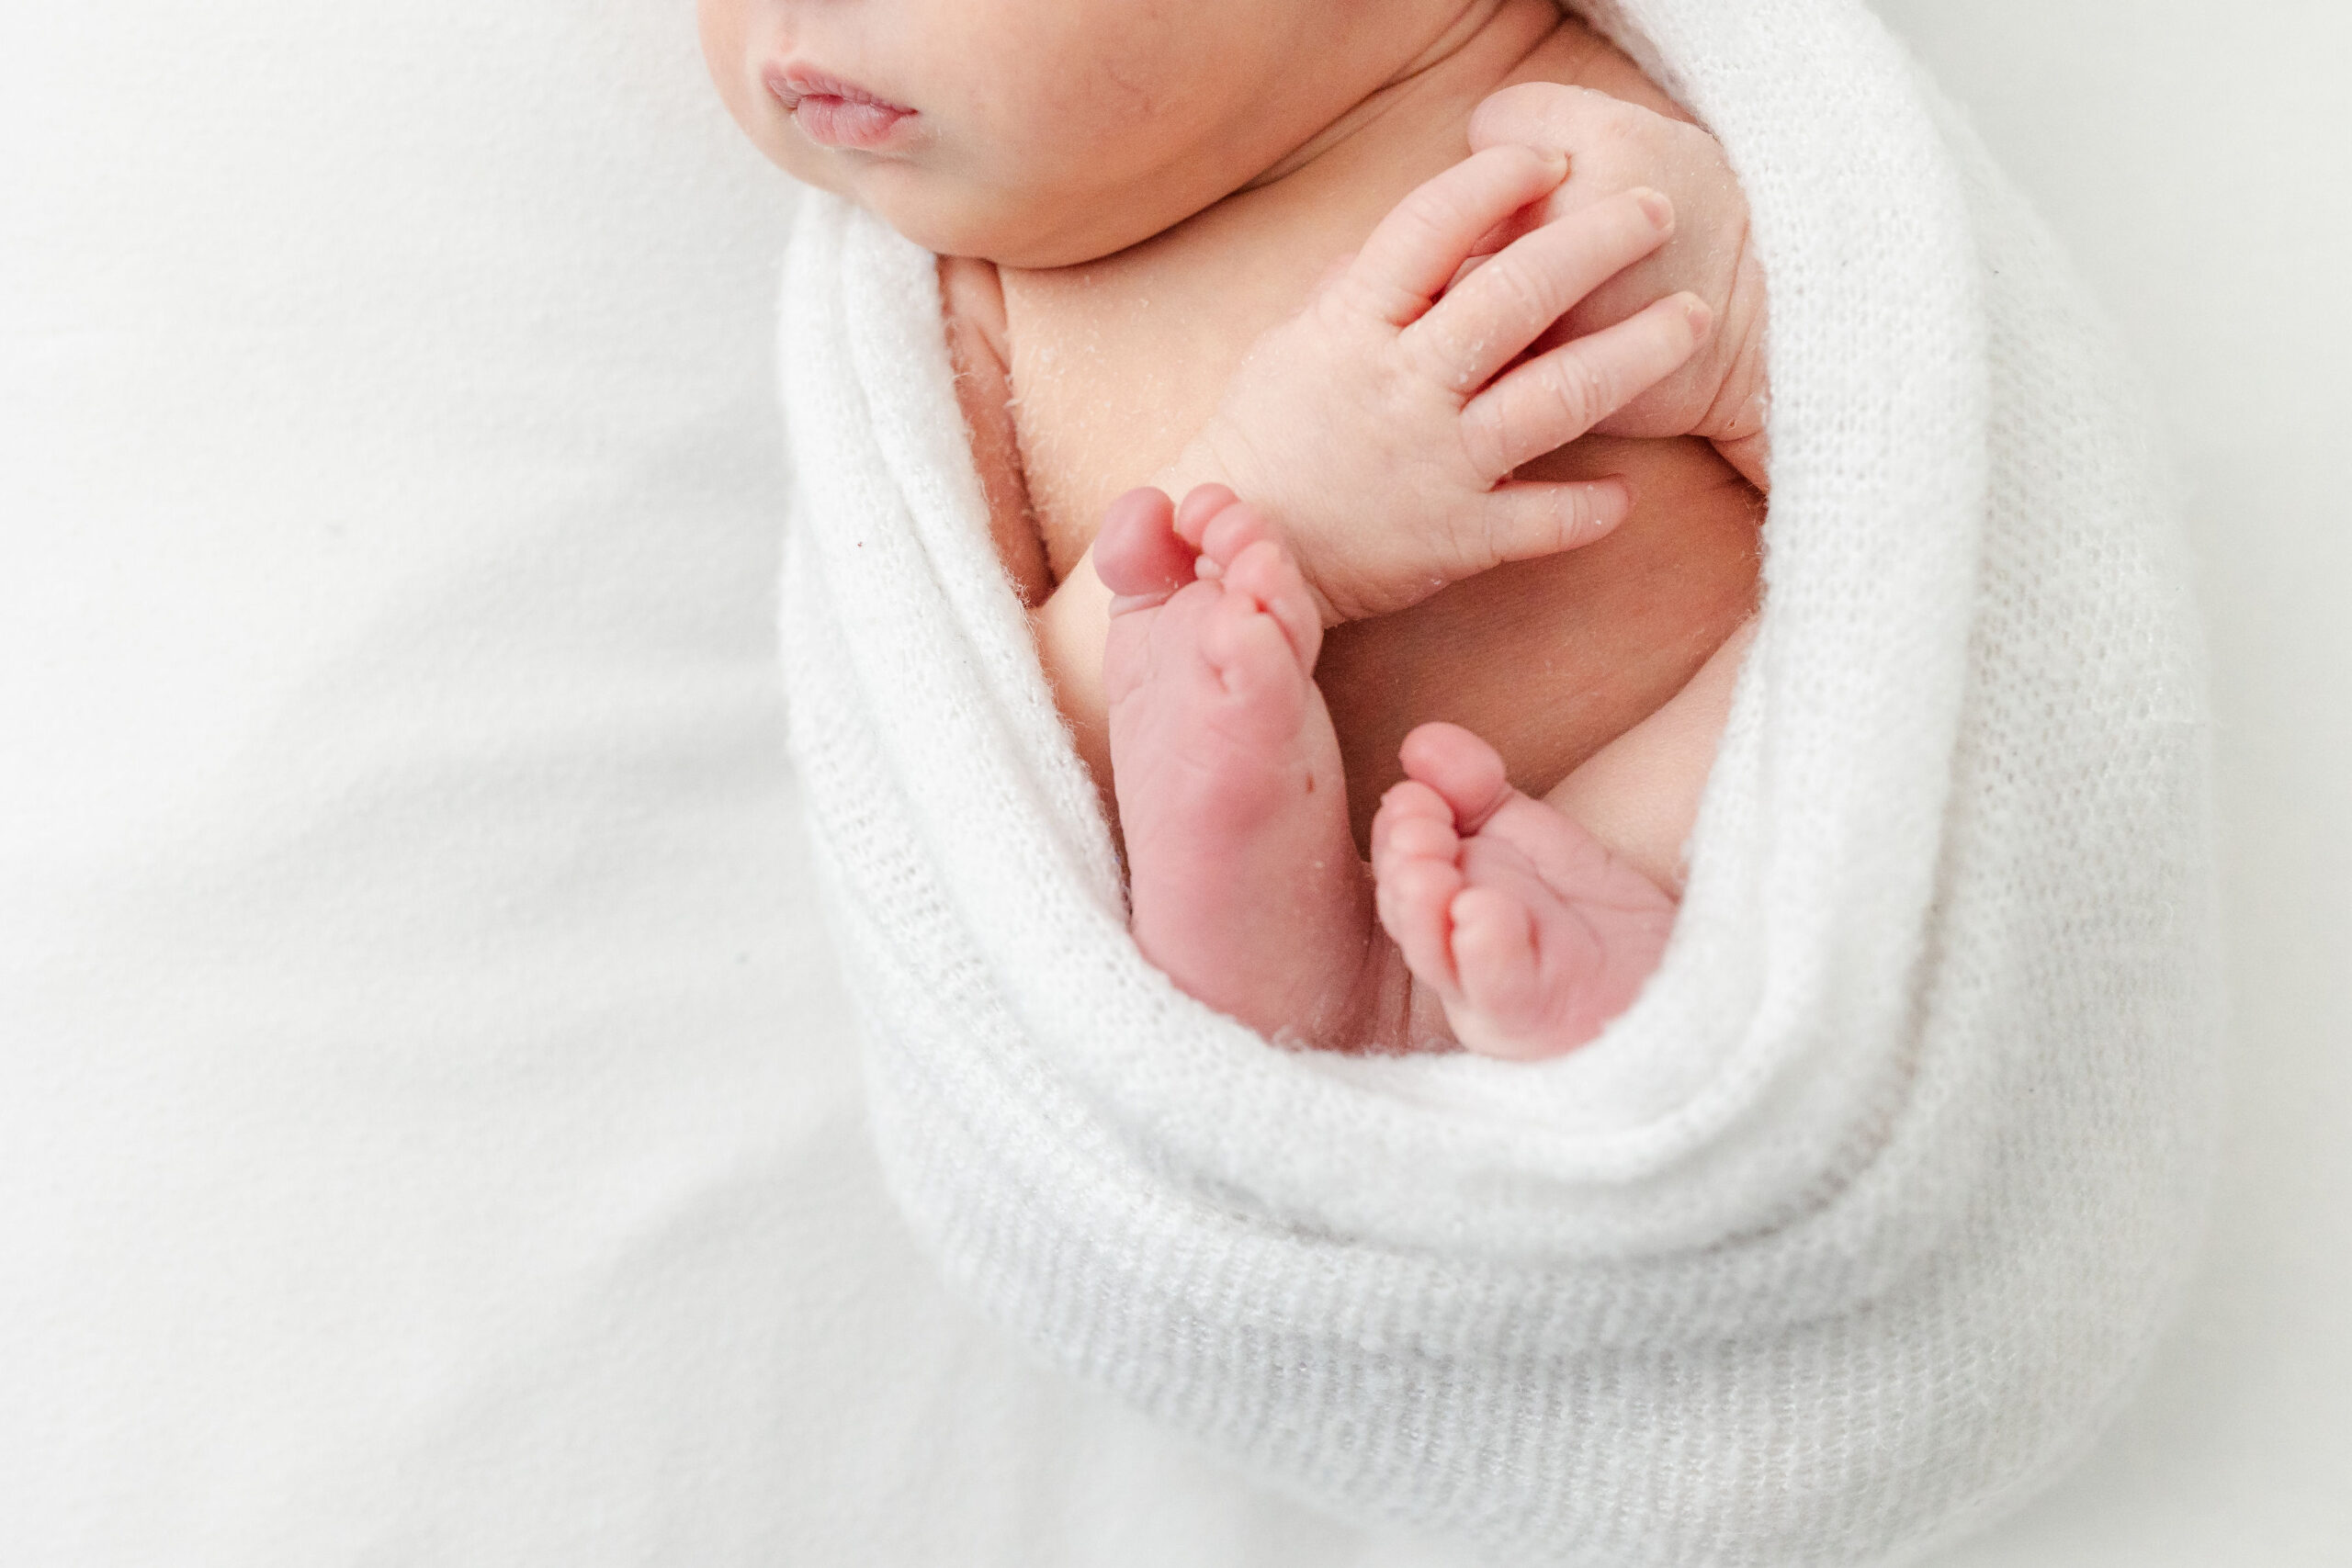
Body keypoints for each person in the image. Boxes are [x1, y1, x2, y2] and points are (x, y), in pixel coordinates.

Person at [702, 0, 1770, 1055]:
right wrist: (1271, 506)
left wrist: (1744, 331)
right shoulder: (972, 302)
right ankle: (1341, 988)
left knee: (1841, 670)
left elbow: (1903, 472)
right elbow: (969, 770)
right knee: (1191, 825)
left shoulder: (1627, 126)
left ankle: (1606, 943)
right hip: (1294, 950)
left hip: (1727, 870)